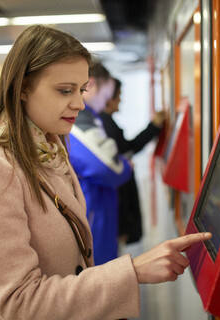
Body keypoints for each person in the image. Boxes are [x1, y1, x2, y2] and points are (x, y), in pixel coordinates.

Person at [0, 24, 211, 320]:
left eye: (81, 90)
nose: (79, 104)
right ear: (22, 87)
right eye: (65, 90)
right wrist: (132, 272)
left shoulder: (50, 146)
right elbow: (20, 303)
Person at [68, 61, 132, 265]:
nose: (106, 106)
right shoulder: (78, 121)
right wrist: (126, 165)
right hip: (91, 220)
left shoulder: (89, 119)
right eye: (105, 98)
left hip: (96, 215)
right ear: (91, 85)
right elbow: (109, 167)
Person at [99, 78, 165, 245]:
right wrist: (154, 126)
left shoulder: (104, 122)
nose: (120, 100)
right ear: (109, 98)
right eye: (119, 95)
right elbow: (128, 148)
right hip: (118, 205)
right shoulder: (105, 123)